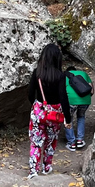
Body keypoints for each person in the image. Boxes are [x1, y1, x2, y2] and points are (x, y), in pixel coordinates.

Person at [27, 44, 71, 179]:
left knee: (36, 141)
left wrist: (36, 106)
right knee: (51, 140)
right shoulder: (60, 76)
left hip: (39, 111)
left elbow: (30, 93)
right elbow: (63, 97)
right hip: (55, 113)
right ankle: (47, 166)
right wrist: (68, 118)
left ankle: (34, 170)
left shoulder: (37, 73)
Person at [64, 66, 93, 151]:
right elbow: (91, 90)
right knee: (81, 117)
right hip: (85, 100)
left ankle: (71, 143)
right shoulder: (84, 74)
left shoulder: (64, 76)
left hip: (71, 101)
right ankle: (80, 140)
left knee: (68, 119)